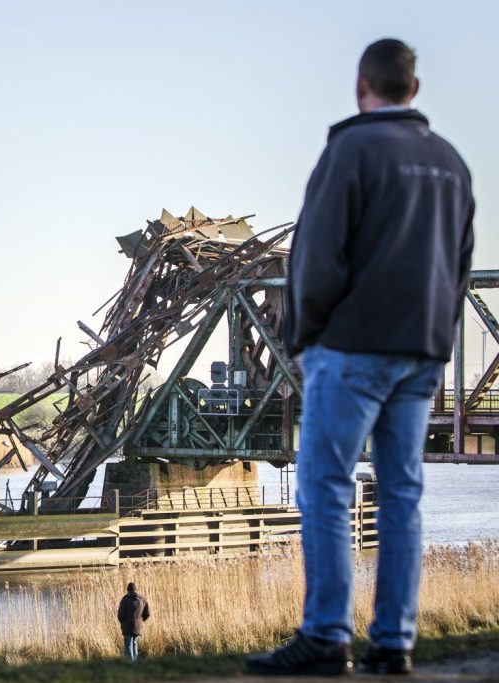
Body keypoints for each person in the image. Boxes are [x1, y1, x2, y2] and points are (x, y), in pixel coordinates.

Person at [246, 38, 475, 676]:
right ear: (415, 90)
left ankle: (325, 635)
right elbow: (457, 269)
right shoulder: (451, 163)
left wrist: (305, 339)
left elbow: (315, 257)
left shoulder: (349, 150)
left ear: (361, 86)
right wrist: (436, 336)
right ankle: (394, 642)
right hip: (421, 352)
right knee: (402, 491)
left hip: (350, 350)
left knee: (324, 485)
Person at [117, 582, 150, 661]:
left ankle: (131, 663)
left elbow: (120, 615)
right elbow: (148, 613)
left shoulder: (125, 599)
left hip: (127, 626)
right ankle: (136, 662)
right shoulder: (143, 599)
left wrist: (122, 622)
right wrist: (141, 621)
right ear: (135, 589)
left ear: (128, 590)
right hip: (138, 626)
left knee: (128, 645)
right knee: (134, 644)